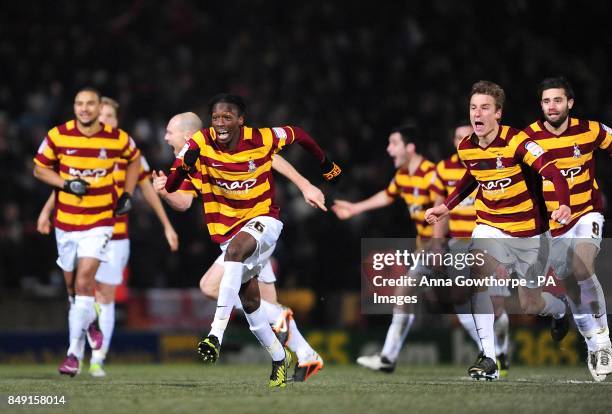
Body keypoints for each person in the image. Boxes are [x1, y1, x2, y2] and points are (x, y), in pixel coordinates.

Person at [162, 93, 340, 388]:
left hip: (256, 227)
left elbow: (271, 156)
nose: (166, 138)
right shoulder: (196, 159)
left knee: (216, 286)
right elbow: (183, 199)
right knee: (256, 303)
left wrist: (306, 183)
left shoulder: (242, 141)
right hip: (236, 232)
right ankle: (303, 354)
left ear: (187, 134)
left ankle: (220, 335)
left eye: (170, 132)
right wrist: (165, 188)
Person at [425, 80, 571, 380]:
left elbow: (552, 171)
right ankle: (489, 358)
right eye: (473, 107)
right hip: (491, 225)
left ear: (498, 113)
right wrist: (447, 206)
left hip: (530, 233)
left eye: (484, 108)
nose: (476, 113)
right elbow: (472, 178)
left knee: (531, 302)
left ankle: (559, 309)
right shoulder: (467, 147)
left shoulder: (517, 142)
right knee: (479, 278)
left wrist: (565, 204)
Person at [36, 96, 179, 377]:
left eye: (109, 116)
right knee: (78, 292)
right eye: (100, 115)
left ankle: (94, 358)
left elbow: (147, 188)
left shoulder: (124, 149)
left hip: (114, 232)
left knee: (103, 294)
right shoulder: (81, 146)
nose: (104, 120)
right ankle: (81, 343)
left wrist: (166, 225)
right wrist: (45, 213)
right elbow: (63, 184)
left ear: (116, 120)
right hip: (76, 225)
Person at [33, 87, 141, 376]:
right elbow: (39, 169)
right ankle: (91, 324)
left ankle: (71, 356)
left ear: (97, 108)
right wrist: (66, 184)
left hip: (100, 222)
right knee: (72, 292)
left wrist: (127, 194)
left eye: (90, 103)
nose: (84, 108)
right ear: (74, 107)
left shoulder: (117, 138)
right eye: (79, 103)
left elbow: (135, 160)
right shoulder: (58, 135)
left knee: (84, 284)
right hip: (65, 224)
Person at [331, 124, 445, 373]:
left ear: (410, 147)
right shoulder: (404, 175)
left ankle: (494, 355)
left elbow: (442, 207)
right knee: (405, 296)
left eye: (394, 143)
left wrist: (437, 245)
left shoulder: (431, 173)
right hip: (425, 247)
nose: (388, 148)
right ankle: (388, 358)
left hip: (445, 246)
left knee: (463, 302)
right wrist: (355, 208)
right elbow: (387, 195)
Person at [523, 76, 612, 381]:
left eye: (557, 100)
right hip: (554, 223)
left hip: (588, 211)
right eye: (546, 101)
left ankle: (604, 341)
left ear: (570, 103)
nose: (551, 106)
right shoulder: (530, 137)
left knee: (582, 265)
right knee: (571, 286)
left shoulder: (591, 130)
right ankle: (592, 343)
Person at [432, 124, 511, 377]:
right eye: (456, 136)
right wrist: (436, 242)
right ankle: (488, 352)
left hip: (491, 237)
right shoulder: (444, 169)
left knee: (496, 306)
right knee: (459, 297)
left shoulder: (489, 162)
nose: (461, 140)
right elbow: (440, 206)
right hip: (458, 242)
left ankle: (502, 349)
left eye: (464, 136)